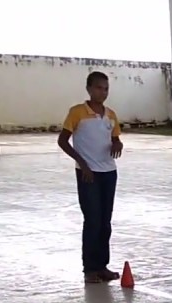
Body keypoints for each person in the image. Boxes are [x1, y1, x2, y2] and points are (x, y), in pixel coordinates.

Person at [57, 70, 124, 284]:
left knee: (105, 222)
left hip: (109, 172)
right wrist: (82, 163)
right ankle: (90, 269)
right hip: (88, 174)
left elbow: (115, 138)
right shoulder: (77, 112)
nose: (102, 92)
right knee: (92, 220)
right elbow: (63, 141)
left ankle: (102, 265)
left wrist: (117, 143)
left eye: (105, 88)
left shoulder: (111, 114)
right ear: (88, 89)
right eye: (98, 87)